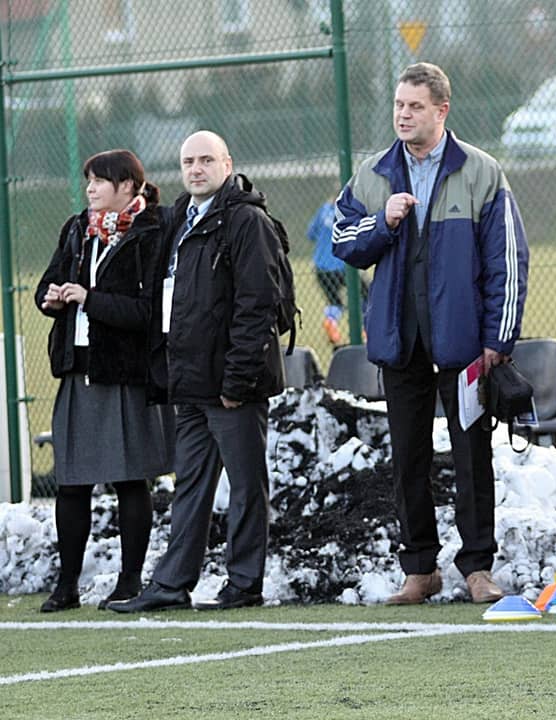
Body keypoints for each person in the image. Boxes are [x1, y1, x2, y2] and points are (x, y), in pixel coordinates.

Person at [331, 62, 528, 605]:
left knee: (472, 459)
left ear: (442, 111)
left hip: (464, 347)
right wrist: (383, 221)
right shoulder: (373, 173)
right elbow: (342, 239)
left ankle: (477, 568)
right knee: (408, 461)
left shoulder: (482, 171)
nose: (403, 115)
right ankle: (419, 570)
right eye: (399, 105)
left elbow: (508, 261)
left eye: (415, 106)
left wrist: (498, 339)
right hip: (400, 345)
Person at [110, 131, 286, 613]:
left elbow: (258, 306)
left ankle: (244, 584)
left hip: (231, 385)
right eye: (188, 161)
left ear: (227, 164)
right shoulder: (179, 221)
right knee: (189, 484)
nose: (196, 169)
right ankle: (171, 584)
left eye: (207, 160)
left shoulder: (246, 221)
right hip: (188, 382)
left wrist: (238, 380)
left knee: (246, 485)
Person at [35, 150, 175, 612]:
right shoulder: (77, 229)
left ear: (128, 185)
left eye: (99, 181)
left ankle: (129, 581)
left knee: (130, 480)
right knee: (71, 482)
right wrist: (52, 298)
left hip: (125, 373)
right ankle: (67, 585)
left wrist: (89, 299)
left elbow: (149, 312)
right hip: (77, 371)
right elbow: (47, 285)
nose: (90, 189)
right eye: (89, 181)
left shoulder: (152, 232)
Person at [306, 198, 347, 345]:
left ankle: (331, 321)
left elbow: (311, 234)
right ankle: (366, 329)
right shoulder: (348, 211)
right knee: (367, 293)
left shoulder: (324, 209)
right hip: (342, 266)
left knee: (334, 301)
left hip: (321, 267)